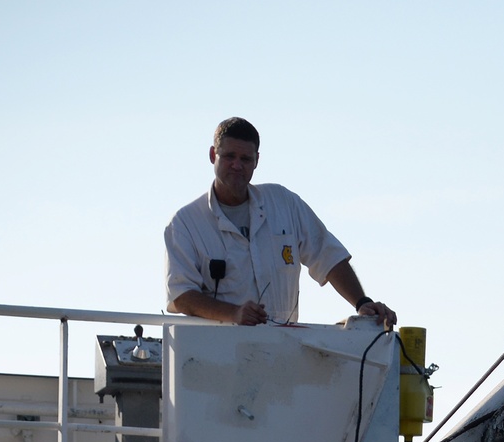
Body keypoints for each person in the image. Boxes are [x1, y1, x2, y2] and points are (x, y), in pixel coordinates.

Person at [164, 117, 396, 328]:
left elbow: (328, 255)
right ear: (213, 155)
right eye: (229, 157)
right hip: (215, 355)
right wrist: (234, 313)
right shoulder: (184, 224)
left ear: (257, 161)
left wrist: (361, 303)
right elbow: (181, 295)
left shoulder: (283, 203)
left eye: (245, 159)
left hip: (281, 352)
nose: (237, 165)